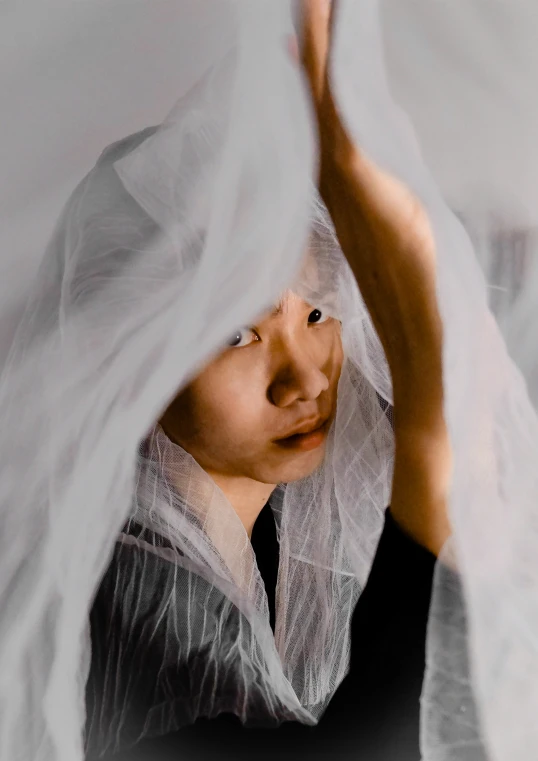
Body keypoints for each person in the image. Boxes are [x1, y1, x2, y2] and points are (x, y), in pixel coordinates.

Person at [84, 3, 452, 759]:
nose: (302, 379)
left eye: (319, 312)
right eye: (236, 333)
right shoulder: (142, 588)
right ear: (131, 351)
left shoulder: (290, 524)